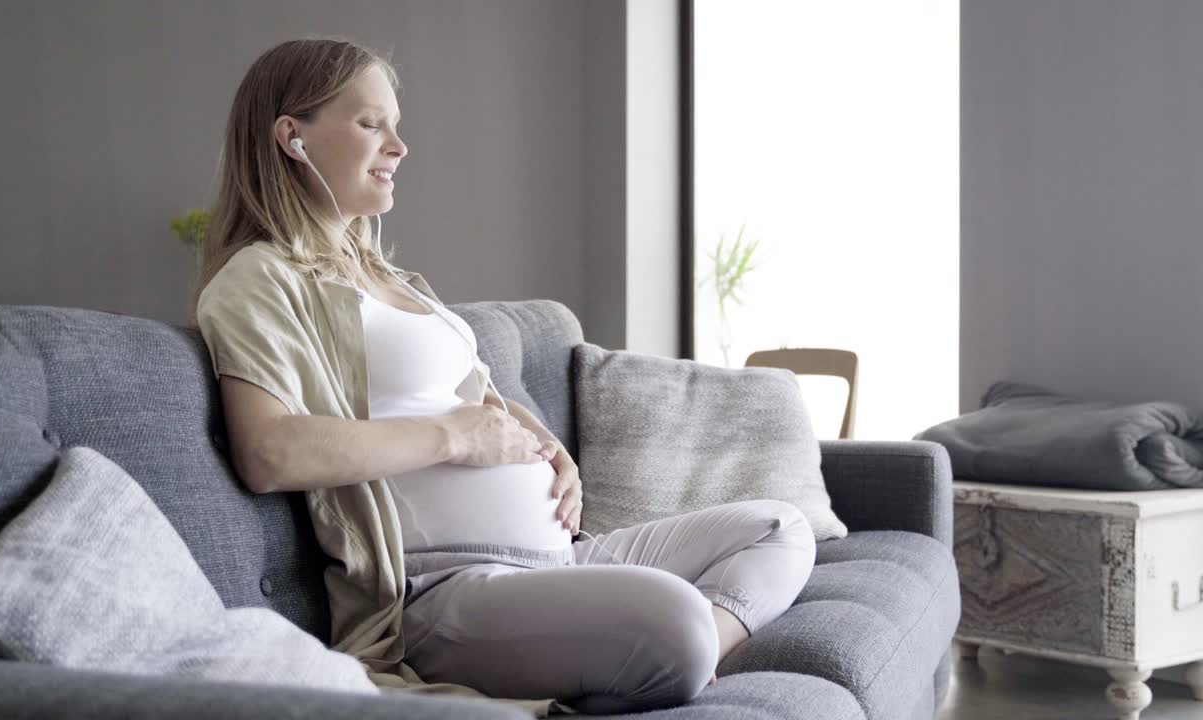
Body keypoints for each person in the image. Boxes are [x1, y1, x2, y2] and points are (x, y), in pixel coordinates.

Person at [191, 37, 817, 716]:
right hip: (448, 590)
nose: (399, 147)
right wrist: (454, 439)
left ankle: (672, 660)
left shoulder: (396, 281)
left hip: (562, 557)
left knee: (781, 527)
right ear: (293, 137)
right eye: (371, 124)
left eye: (396, 126)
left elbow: (477, 401)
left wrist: (547, 447)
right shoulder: (259, 280)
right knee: (677, 625)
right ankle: (664, 656)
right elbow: (269, 452)